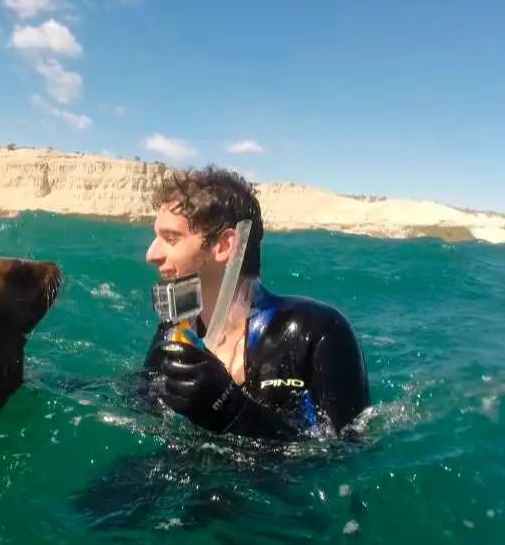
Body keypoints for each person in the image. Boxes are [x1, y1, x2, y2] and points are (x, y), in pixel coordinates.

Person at [142, 166, 369, 439]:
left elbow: (348, 455)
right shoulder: (174, 330)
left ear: (225, 246)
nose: (151, 254)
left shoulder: (316, 333)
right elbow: (140, 411)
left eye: (170, 238)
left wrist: (232, 409)